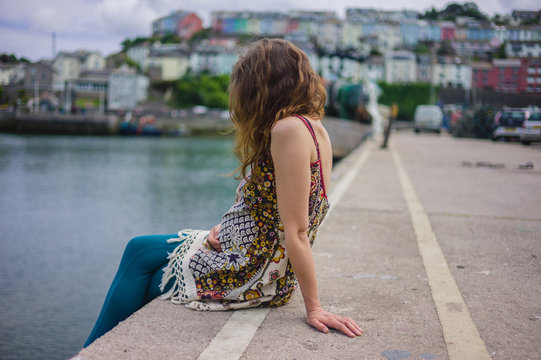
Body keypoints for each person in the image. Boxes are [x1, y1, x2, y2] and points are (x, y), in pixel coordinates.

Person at [84, 38, 362, 348]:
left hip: (255, 272)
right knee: (138, 249)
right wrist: (226, 229)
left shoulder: (288, 130)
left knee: (148, 276)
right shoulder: (312, 126)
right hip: (248, 251)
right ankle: (93, 349)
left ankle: (89, 350)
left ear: (261, 87)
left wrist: (315, 308)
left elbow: (297, 230)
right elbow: (271, 213)